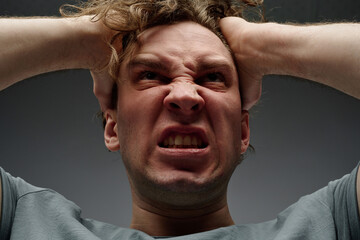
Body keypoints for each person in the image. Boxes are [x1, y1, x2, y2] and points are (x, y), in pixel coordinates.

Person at [0, 0, 359, 239]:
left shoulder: (330, 224)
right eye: (151, 75)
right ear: (113, 128)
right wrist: (94, 39)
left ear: (242, 132)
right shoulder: (24, 219)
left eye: (212, 77)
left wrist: (261, 46)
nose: (186, 96)